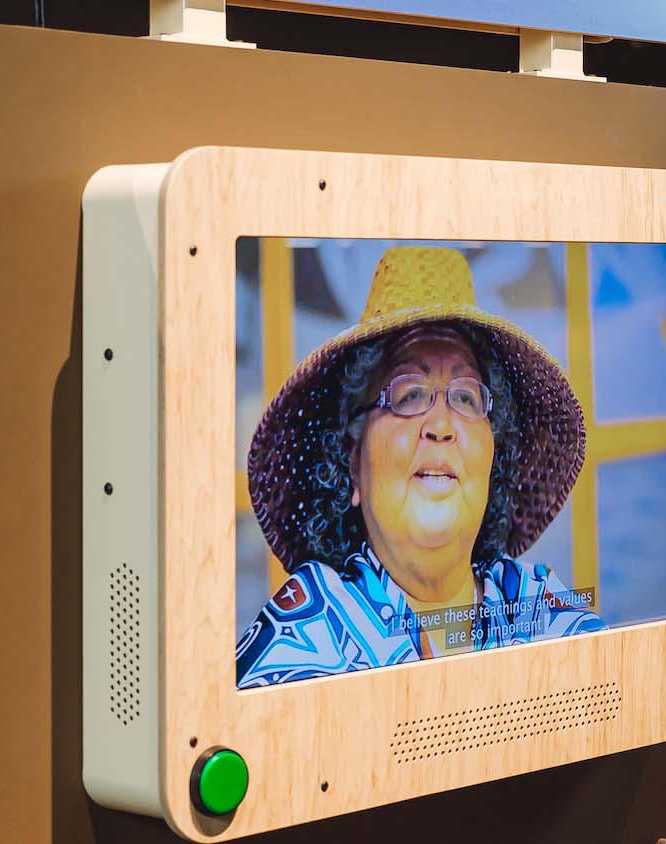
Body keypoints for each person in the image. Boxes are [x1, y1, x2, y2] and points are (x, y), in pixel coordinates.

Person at [235, 246, 604, 689]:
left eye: (467, 398)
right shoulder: (304, 640)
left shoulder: (538, 607)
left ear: (493, 461)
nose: (442, 425)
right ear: (352, 464)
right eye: (409, 395)